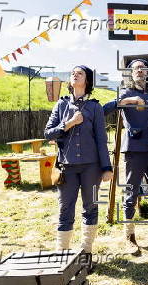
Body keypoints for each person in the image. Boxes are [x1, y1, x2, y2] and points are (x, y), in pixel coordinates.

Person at [103, 59, 148, 255]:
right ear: (130, 74)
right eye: (135, 69)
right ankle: (129, 236)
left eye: (143, 68)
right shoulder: (125, 93)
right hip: (134, 150)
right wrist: (126, 102)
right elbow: (104, 110)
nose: (140, 71)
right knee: (132, 191)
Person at [44, 65, 113, 257]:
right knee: (65, 207)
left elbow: (101, 139)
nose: (75, 74)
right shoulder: (61, 105)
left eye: (80, 73)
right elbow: (48, 133)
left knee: (90, 207)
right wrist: (70, 123)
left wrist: (106, 167)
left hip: (92, 168)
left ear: (87, 80)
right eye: (73, 72)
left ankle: (86, 252)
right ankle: (62, 253)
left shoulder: (95, 107)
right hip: (67, 167)